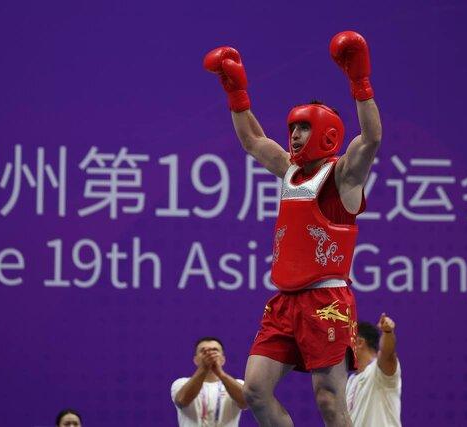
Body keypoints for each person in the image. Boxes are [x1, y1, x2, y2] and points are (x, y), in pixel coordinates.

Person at [204, 30, 382, 426]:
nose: (295, 135)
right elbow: (253, 140)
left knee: (329, 401)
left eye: (304, 127)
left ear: (327, 134)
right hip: (285, 302)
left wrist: (360, 82)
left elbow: (371, 139)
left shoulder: (343, 177)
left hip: (327, 301)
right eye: (293, 127)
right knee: (254, 390)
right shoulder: (289, 170)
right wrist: (236, 93)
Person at [171, 337, 247, 427]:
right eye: (203, 351)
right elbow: (182, 401)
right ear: (195, 360)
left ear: (223, 359)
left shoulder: (238, 383)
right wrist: (203, 369)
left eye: (215, 350)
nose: (209, 354)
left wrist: (220, 373)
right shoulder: (181, 383)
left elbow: (245, 402)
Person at [346, 314, 401, 427]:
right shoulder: (350, 382)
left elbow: (387, 353)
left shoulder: (378, 371)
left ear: (359, 342)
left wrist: (387, 333)